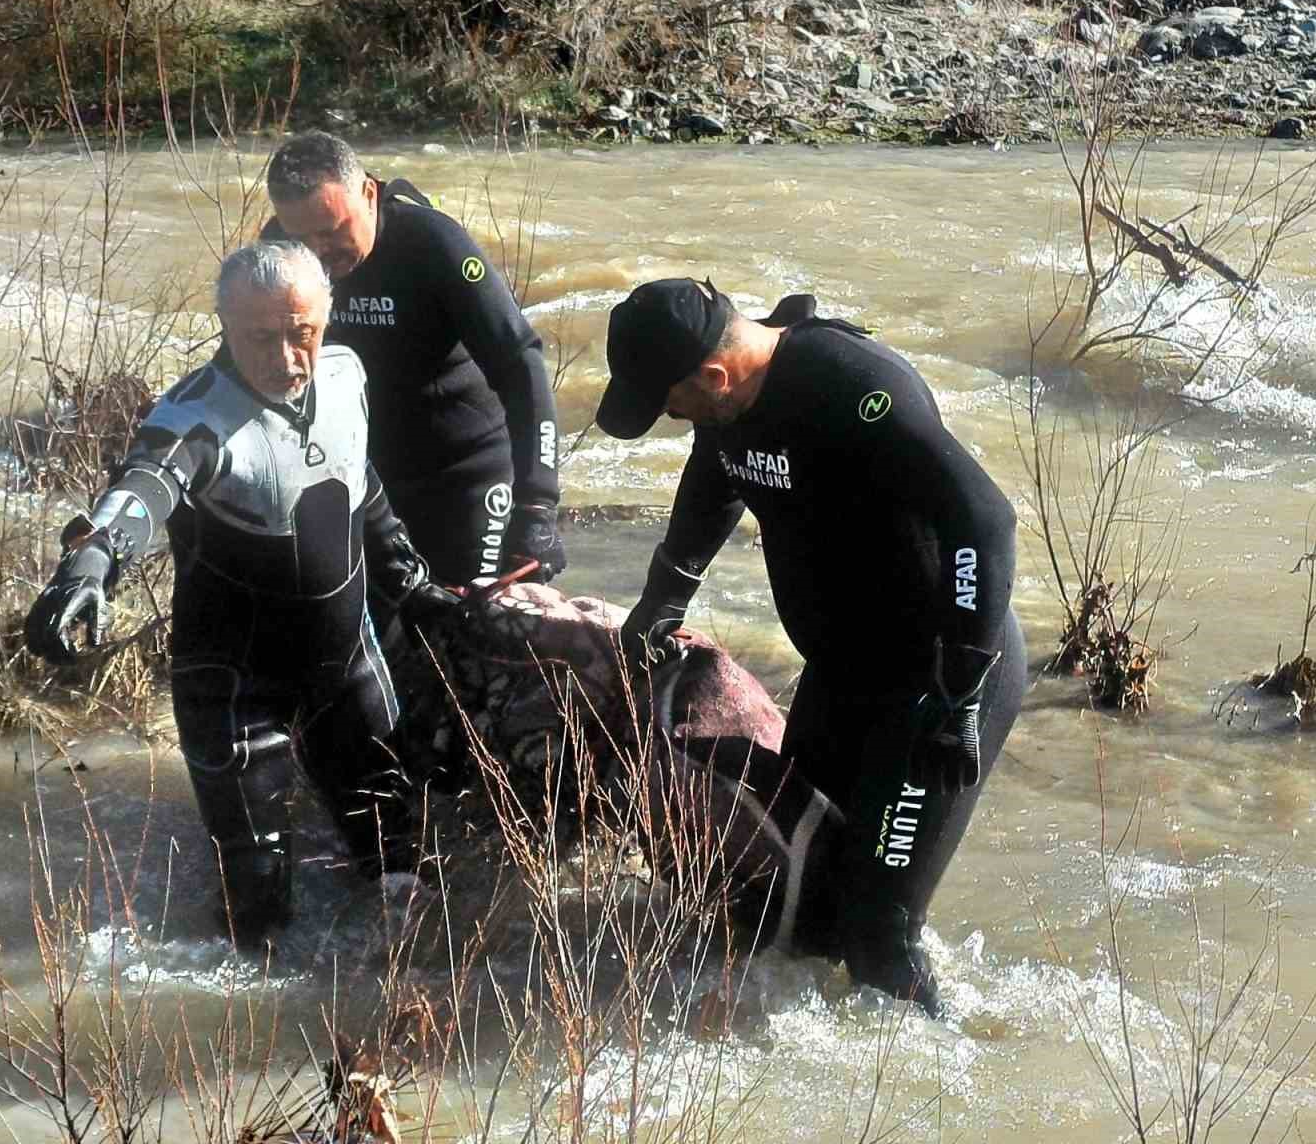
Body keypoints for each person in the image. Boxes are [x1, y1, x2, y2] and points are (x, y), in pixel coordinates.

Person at [594, 278, 1026, 1016]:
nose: (670, 416)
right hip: (843, 675)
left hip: (937, 680)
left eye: (672, 401)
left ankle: (940, 1085)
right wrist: (663, 601)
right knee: (804, 898)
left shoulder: (853, 388)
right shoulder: (730, 409)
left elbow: (983, 521)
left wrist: (961, 692)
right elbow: (716, 476)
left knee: (879, 936)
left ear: (713, 375)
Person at [24, 240, 457, 940]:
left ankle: (392, 1011)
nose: (288, 357)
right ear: (224, 325)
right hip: (235, 684)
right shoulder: (193, 418)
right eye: (262, 337)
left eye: (303, 332)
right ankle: (252, 1036)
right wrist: (93, 560)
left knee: (404, 865)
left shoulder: (345, 374)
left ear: (327, 317)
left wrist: (405, 568)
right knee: (256, 909)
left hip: (346, 667)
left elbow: (357, 475)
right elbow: (144, 487)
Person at [260, 131, 565, 588]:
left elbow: (520, 363)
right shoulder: (279, 254)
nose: (319, 254)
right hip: (363, 483)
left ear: (369, 193)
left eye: (332, 231)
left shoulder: (431, 244)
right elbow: (248, 366)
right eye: (302, 239)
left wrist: (538, 502)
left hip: (466, 478)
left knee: (471, 633)